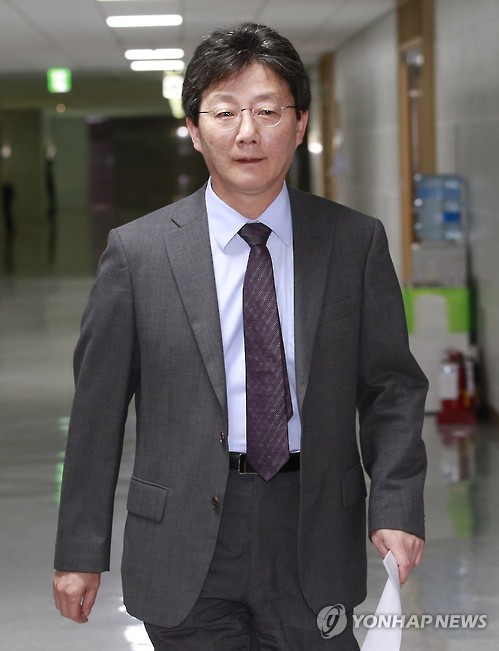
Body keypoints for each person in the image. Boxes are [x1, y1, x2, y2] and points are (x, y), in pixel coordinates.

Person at [53, 22, 428, 650]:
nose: (247, 132)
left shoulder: (353, 242)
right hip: (183, 537)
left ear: (300, 124)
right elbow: (97, 412)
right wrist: (78, 551)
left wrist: (396, 505)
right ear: (195, 130)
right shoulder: (139, 253)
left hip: (314, 528)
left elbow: (392, 387)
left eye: (267, 111)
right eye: (225, 112)